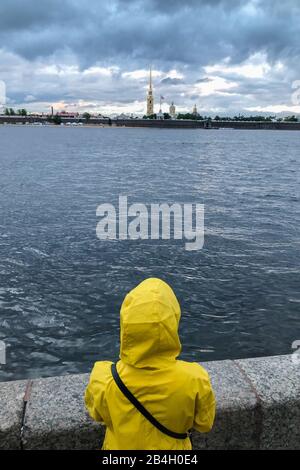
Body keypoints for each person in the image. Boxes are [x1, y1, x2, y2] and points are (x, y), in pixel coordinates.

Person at [85, 278, 215, 450]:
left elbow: (97, 414)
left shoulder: (104, 377)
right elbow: (204, 423)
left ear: (126, 323)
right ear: (173, 320)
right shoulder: (195, 379)